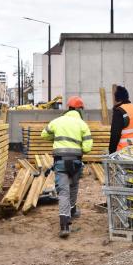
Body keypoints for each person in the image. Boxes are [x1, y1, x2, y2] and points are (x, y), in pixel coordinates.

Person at [41, 96, 93, 238]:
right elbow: (88, 148)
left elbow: (44, 134)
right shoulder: (83, 125)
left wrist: (57, 137)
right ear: (79, 109)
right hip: (76, 161)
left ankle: (64, 225)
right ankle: (73, 209)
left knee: (63, 192)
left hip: (60, 162)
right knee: (74, 186)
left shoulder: (57, 121)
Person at [109, 86, 133, 153]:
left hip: (124, 153)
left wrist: (111, 152)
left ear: (117, 99)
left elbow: (115, 135)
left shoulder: (119, 111)